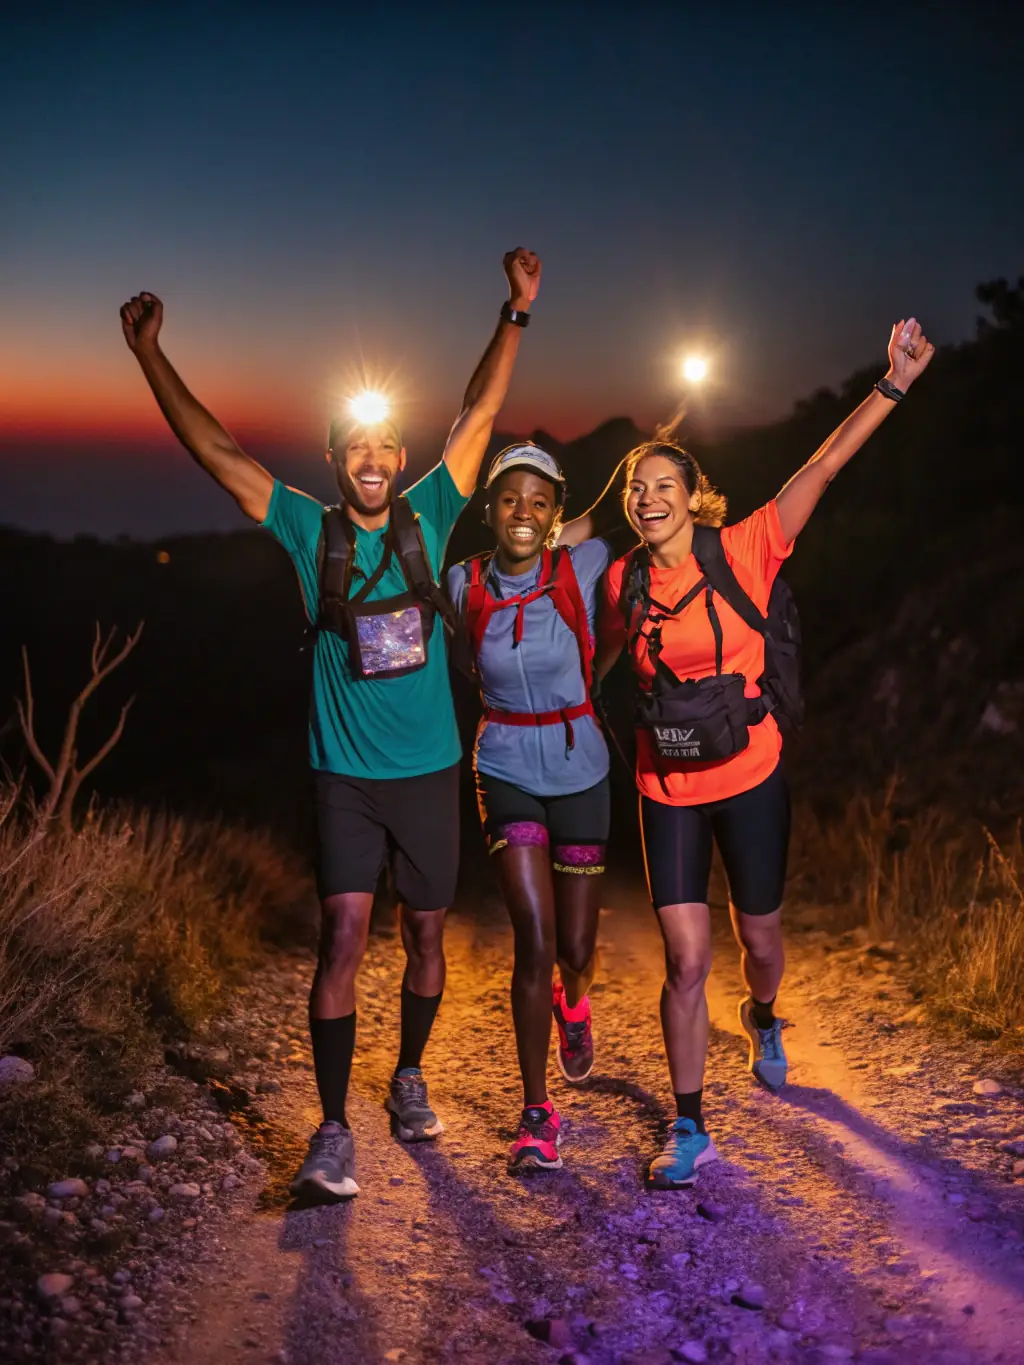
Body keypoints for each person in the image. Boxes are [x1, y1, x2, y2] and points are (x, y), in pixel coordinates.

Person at [119, 248, 542, 1201]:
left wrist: (514, 314)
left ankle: (408, 1074)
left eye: (386, 446)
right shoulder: (310, 529)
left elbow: (477, 415)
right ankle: (333, 1128)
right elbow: (218, 453)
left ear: (399, 458)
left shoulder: (434, 508)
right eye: (355, 447)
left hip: (432, 770)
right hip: (343, 778)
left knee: (428, 936)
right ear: (336, 459)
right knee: (343, 938)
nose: (373, 459)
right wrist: (152, 355)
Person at [598, 318, 935, 1188]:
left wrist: (891, 385)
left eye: (664, 483)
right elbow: (608, 664)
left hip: (750, 774)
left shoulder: (745, 546)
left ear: (692, 494)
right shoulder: (619, 582)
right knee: (683, 959)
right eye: (638, 488)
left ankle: (765, 1012)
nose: (649, 498)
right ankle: (688, 1122)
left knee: (761, 935)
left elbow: (821, 466)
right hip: (664, 784)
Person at [447, 445, 628, 1172]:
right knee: (535, 934)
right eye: (509, 499)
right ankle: (536, 1112)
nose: (523, 512)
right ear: (487, 510)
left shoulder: (581, 566)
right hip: (506, 765)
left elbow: (613, 513)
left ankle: (574, 1004)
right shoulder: (463, 582)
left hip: (581, 765)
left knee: (577, 950)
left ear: (557, 513)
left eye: (539, 501)